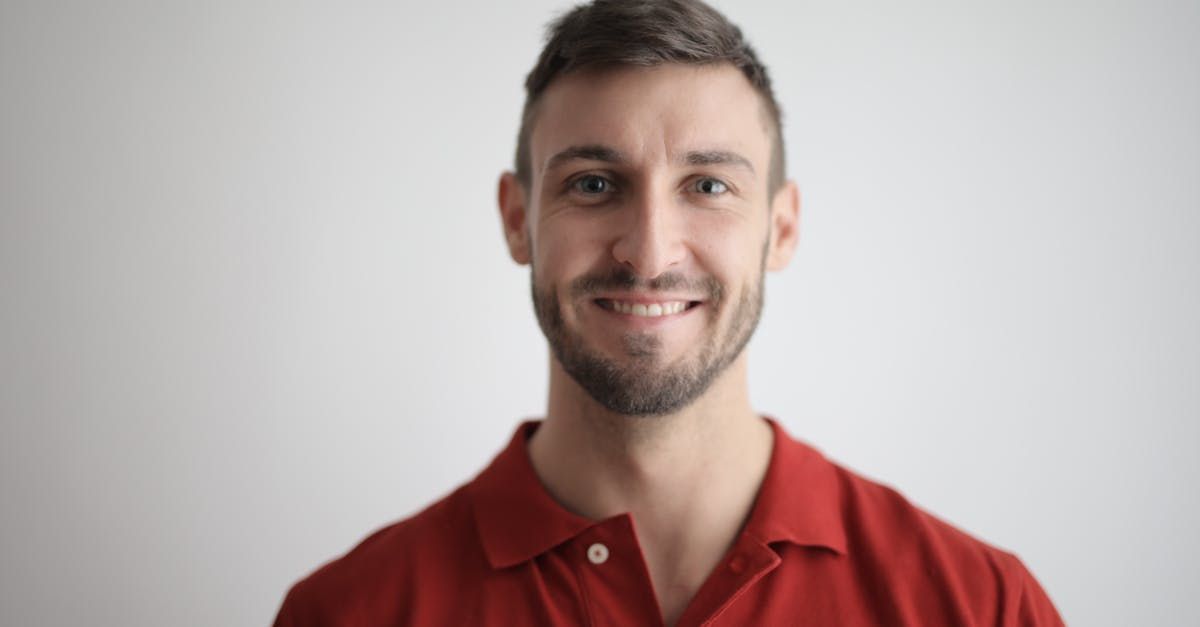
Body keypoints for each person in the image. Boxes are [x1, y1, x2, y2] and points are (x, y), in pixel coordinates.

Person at [272, 1, 1064, 625]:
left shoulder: (980, 605)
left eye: (708, 186)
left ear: (780, 228)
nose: (649, 255)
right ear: (518, 219)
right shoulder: (347, 612)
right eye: (592, 183)